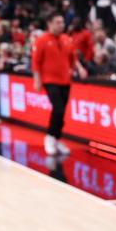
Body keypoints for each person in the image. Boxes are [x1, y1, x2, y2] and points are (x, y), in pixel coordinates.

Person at [32, 13, 88, 156]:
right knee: (58, 108)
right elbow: (36, 62)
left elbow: (73, 58)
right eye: (58, 22)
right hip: (50, 80)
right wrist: (37, 79)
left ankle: (56, 138)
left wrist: (80, 68)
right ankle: (50, 137)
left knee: (62, 111)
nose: (61, 25)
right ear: (49, 23)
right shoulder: (41, 40)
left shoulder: (66, 39)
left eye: (62, 22)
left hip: (65, 80)